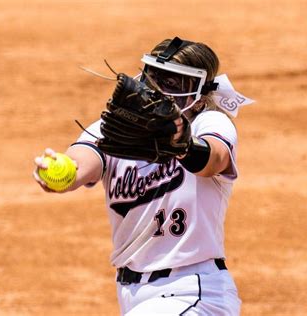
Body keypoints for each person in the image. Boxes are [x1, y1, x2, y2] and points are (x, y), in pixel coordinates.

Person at [33, 36, 254, 315]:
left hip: (195, 292)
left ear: (199, 97)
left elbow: (215, 158)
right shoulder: (113, 129)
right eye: (154, 79)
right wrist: (62, 169)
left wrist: (182, 144)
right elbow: (82, 163)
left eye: (174, 84)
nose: (160, 92)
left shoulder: (209, 122)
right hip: (132, 295)